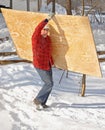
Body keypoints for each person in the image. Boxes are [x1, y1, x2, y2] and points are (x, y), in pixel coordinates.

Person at [31, 13, 55, 110]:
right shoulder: (36, 38)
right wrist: (46, 20)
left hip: (47, 64)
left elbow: (49, 52)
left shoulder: (48, 39)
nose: (46, 32)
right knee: (48, 83)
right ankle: (38, 99)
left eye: (47, 30)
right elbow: (37, 29)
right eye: (44, 30)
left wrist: (52, 62)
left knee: (50, 84)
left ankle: (43, 102)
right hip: (39, 65)